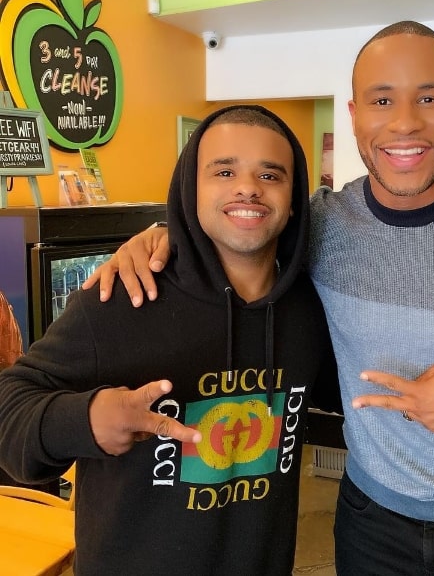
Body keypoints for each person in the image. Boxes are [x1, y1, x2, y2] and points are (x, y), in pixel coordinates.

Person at [85, 22, 434, 575]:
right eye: (382, 99)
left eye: (429, 98)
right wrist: (164, 234)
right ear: (355, 115)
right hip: (369, 520)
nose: (405, 122)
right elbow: (242, 220)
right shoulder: (323, 224)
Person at [0, 105, 340, 576]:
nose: (247, 187)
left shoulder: (309, 309)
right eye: (224, 170)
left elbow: (347, 401)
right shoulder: (123, 298)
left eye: (270, 174)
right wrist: (87, 419)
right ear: (189, 188)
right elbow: (8, 410)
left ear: (295, 198)